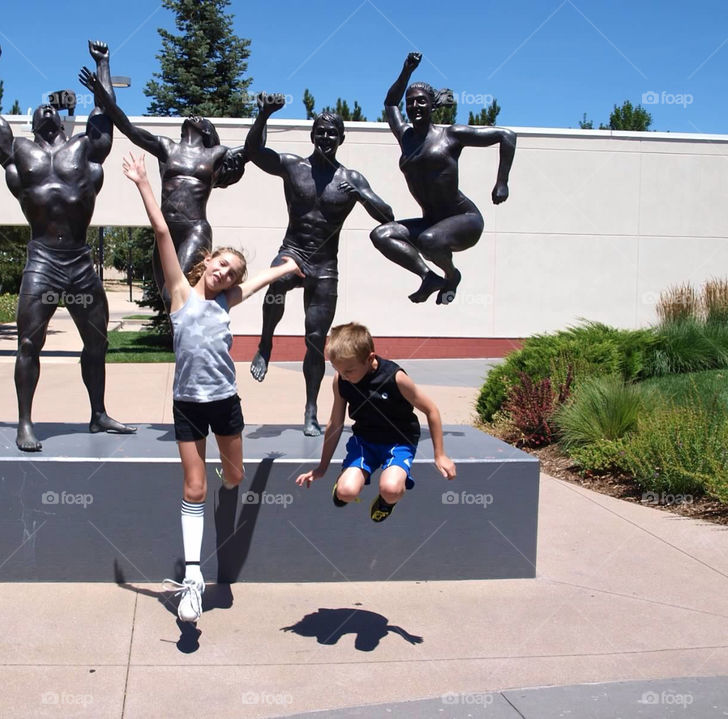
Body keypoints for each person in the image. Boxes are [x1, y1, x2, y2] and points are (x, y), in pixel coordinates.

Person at [122, 151, 303, 623]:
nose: (224, 273)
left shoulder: (228, 300)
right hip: (187, 406)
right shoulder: (181, 292)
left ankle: (235, 474)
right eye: (221, 264)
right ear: (206, 261)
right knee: (195, 488)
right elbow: (163, 232)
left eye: (231, 273)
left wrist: (287, 268)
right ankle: (193, 578)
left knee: (235, 478)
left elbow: (260, 281)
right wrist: (144, 182)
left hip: (225, 403)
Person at [0, 40, 135, 451]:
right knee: (29, 343)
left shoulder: (84, 149)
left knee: (98, 341)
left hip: (80, 261)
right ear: (31, 122)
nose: (47, 109)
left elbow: (105, 112)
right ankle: (25, 422)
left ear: (62, 122)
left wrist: (104, 64)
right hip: (42, 260)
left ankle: (98, 414)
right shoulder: (18, 153)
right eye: (39, 108)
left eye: (52, 108)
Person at [244, 93, 395, 436]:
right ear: (313, 135)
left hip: (325, 266)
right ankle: (266, 342)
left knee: (315, 340)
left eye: (332, 133)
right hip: (293, 251)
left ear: (341, 139)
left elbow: (387, 216)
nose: (326, 137)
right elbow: (254, 153)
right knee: (276, 282)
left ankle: (311, 409)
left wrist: (361, 193)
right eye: (321, 131)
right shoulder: (294, 166)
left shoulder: (351, 178)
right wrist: (263, 116)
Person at [78, 67, 244, 303]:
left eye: (202, 119)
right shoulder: (167, 147)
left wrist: (264, 116)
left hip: (194, 229)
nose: (195, 116)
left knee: (174, 293)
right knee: (168, 301)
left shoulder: (215, 154)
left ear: (208, 131)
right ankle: (184, 339)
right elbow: (128, 127)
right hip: (164, 231)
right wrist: (101, 89)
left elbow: (252, 150)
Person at [371, 52, 516, 305]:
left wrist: (502, 181)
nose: (414, 106)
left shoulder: (451, 135)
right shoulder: (405, 137)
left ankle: (451, 276)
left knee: (429, 241)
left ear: (432, 105)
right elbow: (390, 103)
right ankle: (429, 277)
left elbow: (507, 136)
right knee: (381, 235)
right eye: (411, 103)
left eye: (421, 102)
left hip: (464, 220)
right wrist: (407, 71)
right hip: (432, 222)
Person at [295, 322, 456, 522]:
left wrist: (440, 455)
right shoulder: (342, 380)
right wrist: (322, 467)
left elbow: (431, 410)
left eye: (349, 371)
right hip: (365, 441)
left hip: (399, 441)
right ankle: (344, 483)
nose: (344, 376)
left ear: (370, 357)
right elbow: (335, 423)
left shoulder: (395, 378)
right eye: (338, 370)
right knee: (347, 491)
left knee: (391, 488)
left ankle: (386, 502)